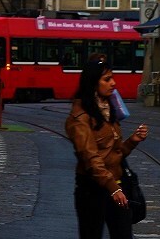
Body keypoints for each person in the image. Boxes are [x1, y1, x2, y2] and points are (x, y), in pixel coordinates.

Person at [65, 58, 148, 239]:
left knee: (123, 235)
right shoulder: (80, 117)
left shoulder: (108, 109)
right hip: (93, 189)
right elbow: (90, 158)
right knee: (92, 234)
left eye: (112, 78)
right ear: (93, 83)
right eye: (107, 79)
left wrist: (132, 141)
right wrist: (113, 188)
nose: (113, 83)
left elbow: (114, 154)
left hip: (117, 184)